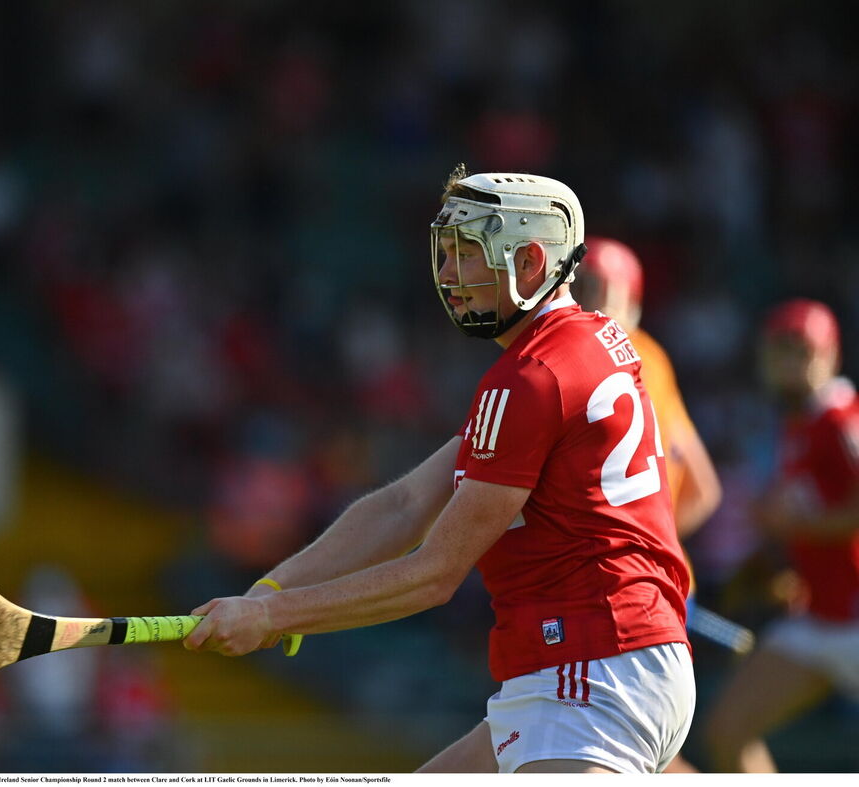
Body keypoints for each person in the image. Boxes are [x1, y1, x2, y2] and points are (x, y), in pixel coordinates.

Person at [184, 166, 695, 773]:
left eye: (468, 254)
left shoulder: (533, 379)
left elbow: (434, 574)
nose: (448, 276)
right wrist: (271, 590)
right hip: (583, 674)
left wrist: (273, 618)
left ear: (530, 263)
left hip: (591, 675)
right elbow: (403, 506)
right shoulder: (580, 345)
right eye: (445, 253)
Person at [574, 236, 724, 775]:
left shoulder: (626, 362)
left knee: (619, 749)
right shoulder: (651, 357)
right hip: (648, 585)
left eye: (601, 292)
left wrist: (638, 544)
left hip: (628, 591)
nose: (589, 303)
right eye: (581, 288)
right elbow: (704, 488)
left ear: (633, 304)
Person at [704, 298, 859, 773]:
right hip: (820, 618)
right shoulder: (801, 421)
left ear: (831, 356)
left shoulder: (840, 420)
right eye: (780, 351)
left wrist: (798, 529)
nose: (789, 365)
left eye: (802, 352)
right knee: (726, 734)